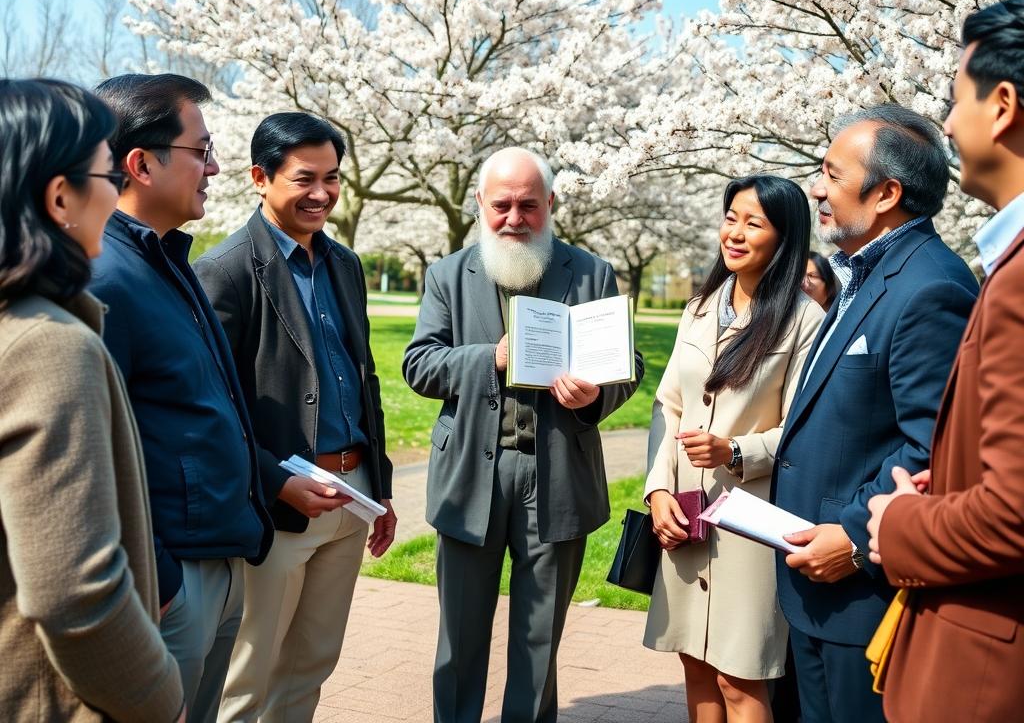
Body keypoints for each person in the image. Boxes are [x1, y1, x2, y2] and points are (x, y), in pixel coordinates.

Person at [402, 147, 643, 723]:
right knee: (459, 638)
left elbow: (625, 364)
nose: (514, 218)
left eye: (528, 206)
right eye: (502, 205)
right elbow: (419, 365)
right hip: (470, 473)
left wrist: (597, 396)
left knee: (540, 638)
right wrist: (490, 358)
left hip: (557, 473)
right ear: (481, 204)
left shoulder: (591, 272)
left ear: (551, 205)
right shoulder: (446, 274)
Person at [771, 104, 978, 723]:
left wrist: (855, 538)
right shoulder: (864, 273)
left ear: (886, 193)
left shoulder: (931, 287)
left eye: (832, 174)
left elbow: (935, 447)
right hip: (814, 590)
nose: (815, 188)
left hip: (862, 594)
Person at [194, 112, 397, 722]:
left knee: (311, 664)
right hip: (279, 504)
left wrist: (379, 490)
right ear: (260, 177)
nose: (322, 194)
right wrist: (275, 480)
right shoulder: (225, 271)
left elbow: (365, 382)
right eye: (305, 178)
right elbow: (212, 408)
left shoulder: (345, 265)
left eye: (332, 178)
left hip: (351, 497)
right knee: (247, 676)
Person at [90, 73, 273, 723]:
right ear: (140, 164)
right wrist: (163, 581)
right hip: (171, 579)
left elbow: (200, 412)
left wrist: (271, 481)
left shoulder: (166, 263)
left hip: (217, 563)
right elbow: (88, 457)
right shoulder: (105, 280)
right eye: (202, 151)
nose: (215, 168)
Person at [0, 79, 184, 722]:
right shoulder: (47, 347)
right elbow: (75, 592)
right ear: (59, 197)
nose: (117, 195)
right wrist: (160, 696)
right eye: (108, 174)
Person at [866, 0, 1024, 722]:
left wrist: (898, 524)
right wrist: (953, 478)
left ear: (1002, 105)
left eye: (956, 99)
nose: (950, 126)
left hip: (982, 673)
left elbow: (1015, 514)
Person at [645, 175, 824, 723]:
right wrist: (657, 491)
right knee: (695, 667)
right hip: (685, 517)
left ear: (784, 237)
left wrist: (735, 451)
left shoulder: (805, 320)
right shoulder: (697, 308)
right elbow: (667, 405)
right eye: (731, 217)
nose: (736, 233)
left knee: (741, 679)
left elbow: (802, 429)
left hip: (750, 526)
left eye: (754, 223)